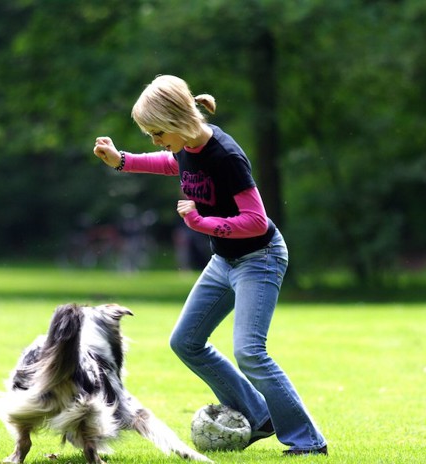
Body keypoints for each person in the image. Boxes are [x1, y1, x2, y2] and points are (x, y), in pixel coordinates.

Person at [93, 75, 328, 456]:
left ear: (175, 121)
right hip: (225, 259)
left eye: (156, 132)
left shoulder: (226, 156)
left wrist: (199, 222)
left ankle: (309, 443)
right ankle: (259, 417)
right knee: (185, 342)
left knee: (250, 351)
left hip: (260, 259)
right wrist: (122, 161)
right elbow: (173, 164)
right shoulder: (187, 146)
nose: (154, 141)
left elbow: (256, 221)